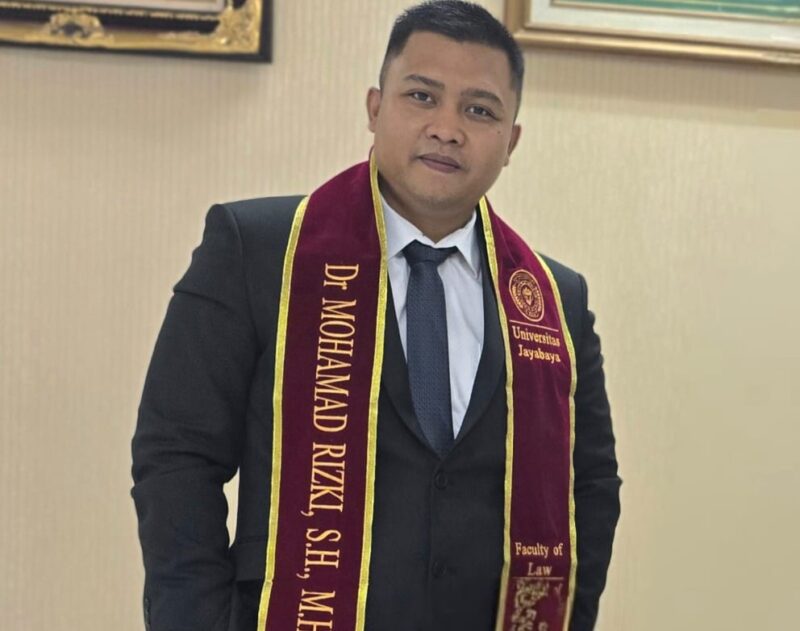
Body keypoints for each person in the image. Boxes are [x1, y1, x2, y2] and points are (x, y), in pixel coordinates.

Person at [131, 2, 621, 630]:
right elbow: (176, 457)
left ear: (512, 141)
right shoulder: (259, 251)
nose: (447, 128)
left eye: (479, 110)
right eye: (422, 96)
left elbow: (590, 487)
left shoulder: (554, 301)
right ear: (374, 107)